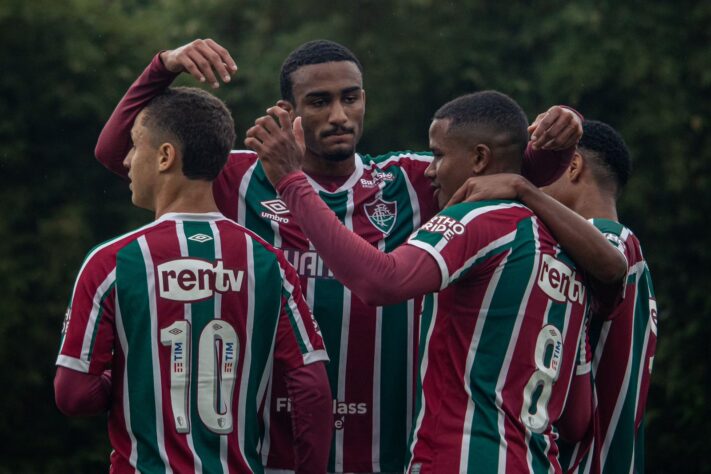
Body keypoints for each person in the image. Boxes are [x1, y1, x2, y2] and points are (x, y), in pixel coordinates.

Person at [94, 38, 586, 474]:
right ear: (288, 112)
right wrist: (163, 65)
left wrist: (563, 134)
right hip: (270, 450)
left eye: (350, 98)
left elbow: (515, 171)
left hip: (392, 451)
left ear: (365, 101)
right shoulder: (241, 177)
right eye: (319, 102)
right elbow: (119, 152)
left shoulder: (413, 180)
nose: (338, 115)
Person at [246, 90, 611, 473]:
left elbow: (381, 281)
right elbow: (578, 417)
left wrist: (291, 181)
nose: (430, 170)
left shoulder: (480, 218)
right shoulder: (567, 251)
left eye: (438, 154)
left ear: (479, 159)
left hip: (462, 458)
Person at [55, 86, 332, 474]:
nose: (128, 159)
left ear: (166, 156)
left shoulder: (112, 262)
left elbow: (73, 395)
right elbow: (312, 389)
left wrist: (134, 380)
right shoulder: (268, 263)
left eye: (135, 146)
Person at [447, 120, 657, 473]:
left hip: (583, 462)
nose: (535, 175)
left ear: (572, 166)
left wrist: (524, 190)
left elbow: (576, 417)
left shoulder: (608, 241)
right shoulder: (639, 264)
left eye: (551, 166)